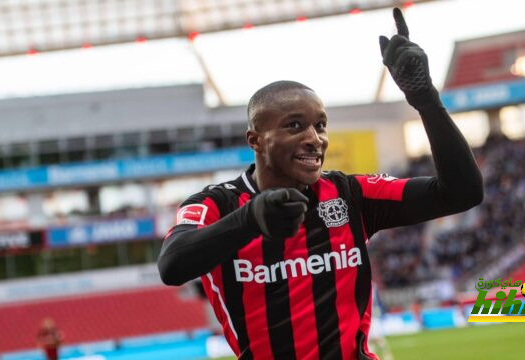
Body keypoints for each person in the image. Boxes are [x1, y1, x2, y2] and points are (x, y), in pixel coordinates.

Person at [158, 8, 483, 360]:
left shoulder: (350, 195)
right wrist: (251, 218)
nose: (315, 138)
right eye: (295, 126)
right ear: (255, 140)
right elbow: (173, 265)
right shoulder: (216, 206)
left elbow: (462, 192)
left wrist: (426, 99)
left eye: (321, 125)